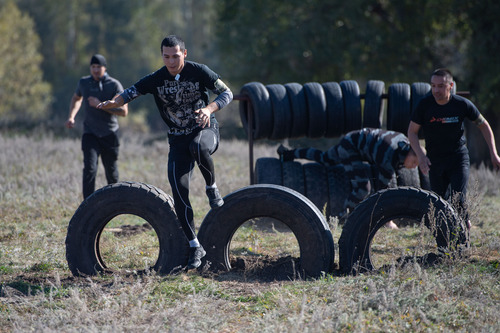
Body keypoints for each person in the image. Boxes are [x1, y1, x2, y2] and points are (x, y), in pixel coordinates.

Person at [97, 35, 233, 270]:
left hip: (204, 130)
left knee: (198, 147)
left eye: (176, 56)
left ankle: (211, 187)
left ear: (185, 53)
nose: (171, 61)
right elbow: (131, 91)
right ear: (162, 56)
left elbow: (227, 93)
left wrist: (209, 109)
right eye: (166, 56)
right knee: (179, 192)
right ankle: (194, 246)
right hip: (177, 140)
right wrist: (113, 102)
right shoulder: (157, 78)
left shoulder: (200, 71)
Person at [408, 68, 500, 228]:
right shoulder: (424, 105)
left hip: (458, 158)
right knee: (438, 204)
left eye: (441, 86)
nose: (436, 90)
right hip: (435, 161)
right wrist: (421, 156)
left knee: (459, 200)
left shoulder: (461, 104)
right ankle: (445, 244)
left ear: (450, 85)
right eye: (433, 86)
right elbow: (412, 132)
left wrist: (494, 153)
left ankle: (464, 237)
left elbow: (484, 126)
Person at [278, 128, 419, 226]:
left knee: (325, 158)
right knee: (363, 188)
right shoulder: (390, 156)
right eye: (414, 162)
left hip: (355, 139)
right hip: (351, 145)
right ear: (409, 153)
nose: (413, 167)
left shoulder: (405, 145)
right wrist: (388, 221)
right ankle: (343, 219)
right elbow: (384, 192)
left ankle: (288, 154)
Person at [66, 54, 128, 199]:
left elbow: (123, 112)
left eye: (98, 67)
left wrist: (101, 105)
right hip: (90, 133)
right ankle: (88, 205)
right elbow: (76, 98)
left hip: (109, 134)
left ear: (104, 68)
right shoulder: (84, 83)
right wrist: (71, 116)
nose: (95, 70)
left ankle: (115, 203)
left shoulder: (113, 85)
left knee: (111, 172)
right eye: (93, 67)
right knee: (90, 168)